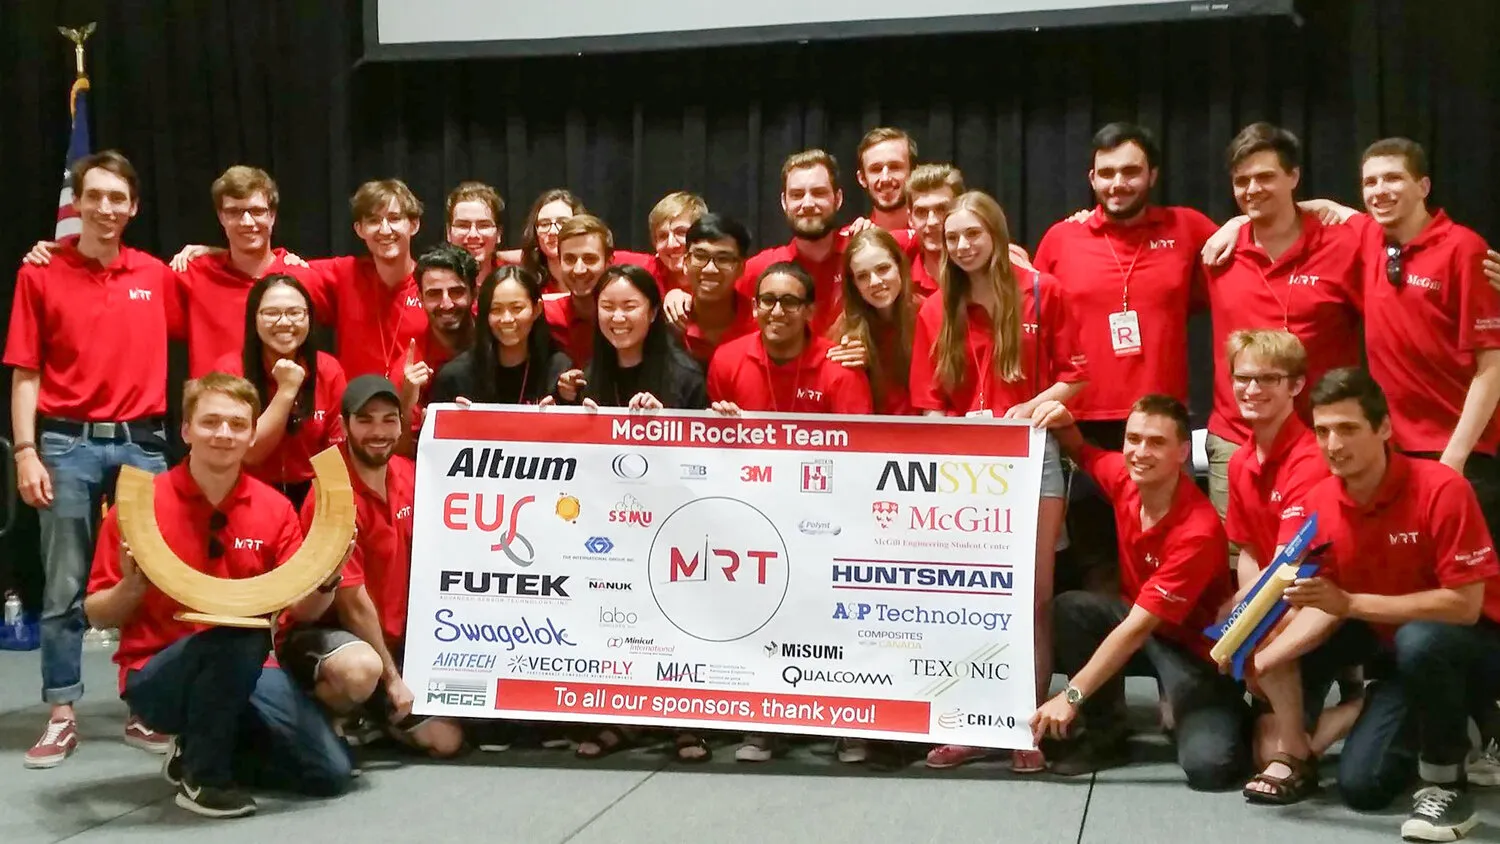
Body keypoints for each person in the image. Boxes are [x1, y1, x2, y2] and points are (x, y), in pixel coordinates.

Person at [1245, 369, 1500, 841]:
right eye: (1322, 430)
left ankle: (1448, 782)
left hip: (1469, 646)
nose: (1333, 444)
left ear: (1384, 429)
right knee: (1362, 788)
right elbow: (1322, 601)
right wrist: (1266, 656)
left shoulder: (1442, 489)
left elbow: (1465, 607)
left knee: (1421, 640)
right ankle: (1305, 747)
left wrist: (1350, 602)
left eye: (1348, 428)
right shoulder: (1321, 500)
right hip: (1391, 648)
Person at [84, 372, 354, 817]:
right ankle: (202, 779)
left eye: (237, 424)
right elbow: (96, 613)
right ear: (186, 430)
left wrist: (328, 575)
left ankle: (201, 749)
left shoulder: (274, 509)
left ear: (252, 434)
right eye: (210, 422)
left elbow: (301, 608)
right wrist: (132, 588)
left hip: (250, 669)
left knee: (331, 773)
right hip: (160, 671)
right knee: (242, 629)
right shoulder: (140, 504)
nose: (223, 434)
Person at [6, 150, 178, 767]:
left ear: (133, 207)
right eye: (94, 196)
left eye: (117, 198)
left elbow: (215, 301)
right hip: (65, 442)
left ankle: (145, 706)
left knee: (153, 577)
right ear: (76, 203)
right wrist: (25, 451)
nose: (105, 208)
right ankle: (61, 712)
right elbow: (26, 373)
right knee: (64, 584)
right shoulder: (41, 273)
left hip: (142, 443)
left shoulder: (157, 275)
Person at [910, 190, 1088, 773]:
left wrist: (1036, 405)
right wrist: (956, 437)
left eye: (972, 235)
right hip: (965, 470)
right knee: (966, 599)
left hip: (1034, 458)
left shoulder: (1044, 292)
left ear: (995, 233)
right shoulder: (936, 308)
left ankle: (1025, 723)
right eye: (953, 237)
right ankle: (967, 720)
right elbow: (928, 400)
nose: (962, 247)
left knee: (1031, 600)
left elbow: (1076, 375)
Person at [1029, 394, 1247, 788]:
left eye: (1157, 442)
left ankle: (1235, 712)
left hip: (1196, 655)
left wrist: (1070, 697)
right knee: (1074, 608)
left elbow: (1136, 629)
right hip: (1145, 630)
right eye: (1133, 439)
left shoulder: (1197, 531)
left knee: (1209, 769)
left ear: (1183, 451)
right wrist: (1062, 421)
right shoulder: (1124, 479)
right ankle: (1108, 735)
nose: (1140, 452)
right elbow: (1083, 451)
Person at [1296, 139, 1500, 534]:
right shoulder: (1370, 236)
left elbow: (1491, 366)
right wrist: (1234, 225)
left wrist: (1454, 458)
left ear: (1423, 186)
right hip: (1392, 450)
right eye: (1369, 181)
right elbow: (1316, 209)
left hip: (1458, 452)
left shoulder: (1464, 249)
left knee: (1467, 589)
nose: (1379, 190)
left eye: (1393, 178)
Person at [279, 375, 465, 759]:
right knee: (360, 671)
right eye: (365, 420)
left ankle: (369, 715)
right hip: (329, 637)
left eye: (388, 420)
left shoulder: (411, 474)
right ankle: (316, 708)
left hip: (394, 640)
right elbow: (352, 604)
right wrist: (394, 679)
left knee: (448, 740)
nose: (378, 432)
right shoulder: (330, 495)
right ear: (344, 425)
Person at [1202, 123, 1363, 517]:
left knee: (1321, 559)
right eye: (1242, 181)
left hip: (1325, 437)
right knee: (1239, 561)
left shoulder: (1344, 243)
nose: (1252, 189)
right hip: (1237, 441)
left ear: (1294, 177)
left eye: (1265, 177)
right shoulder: (1216, 253)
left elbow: (1401, 233)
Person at [24, 166, 317, 379]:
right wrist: (64, 253)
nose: (247, 221)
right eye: (234, 212)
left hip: (292, 417)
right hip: (215, 425)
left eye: (256, 211)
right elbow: (112, 280)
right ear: (220, 217)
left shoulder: (303, 276)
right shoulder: (189, 274)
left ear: (273, 215)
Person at [1033, 123, 1220, 447]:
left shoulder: (1187, 228)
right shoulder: (1061, 238)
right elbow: (1030, 326)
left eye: (1131, 171)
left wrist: (1316, 209)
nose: (1118, 183)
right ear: (1092, 179)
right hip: (1075, 420)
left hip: (1162, 418)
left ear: (1153, 175)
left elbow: (1259, 243)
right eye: (1107, 173)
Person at [213, 274, 346, 509]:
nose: (284, 322)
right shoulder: (230, 370)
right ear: (254, 318)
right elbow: (248, 452)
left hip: (313, 495)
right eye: (272, 313)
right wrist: (286, 390)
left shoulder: (328, 370)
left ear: (309, 318)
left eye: (295, 313)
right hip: (246, 493)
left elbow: (336, 457)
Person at [708, 262, 874, 418]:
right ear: (754, 308)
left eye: (790, 302)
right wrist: (724, 426)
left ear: (809, 311)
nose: (777, 312)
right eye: (768, 300)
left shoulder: (842, 369)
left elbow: (858, 441)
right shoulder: (726, 360)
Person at [569, 264, 709, 412]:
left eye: (629, 307)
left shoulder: (686, 378)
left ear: (653, 312)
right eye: (607, 307)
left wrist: (664, 420)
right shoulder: (588, 377)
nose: (617, 318)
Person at [431, 265, 572, 406]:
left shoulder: (558, 371)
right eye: (496, 309)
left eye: (517, 308)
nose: (507, 319)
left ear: (537, 309)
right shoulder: (454, 376)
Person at [829, 227, 923, 417]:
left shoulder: (928, 314)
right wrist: (860, 372)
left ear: (899, 266)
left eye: (883, 269)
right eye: (862, 276)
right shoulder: (845, 327)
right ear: (853, 284)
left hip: (925, 434)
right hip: (871, 436)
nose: (875, 282)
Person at [394, 243, 478, 431]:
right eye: (434, 294)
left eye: (456, 292)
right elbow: (400, 451)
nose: (446, 304)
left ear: (474, 292)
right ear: (421, 297)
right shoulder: (410, 370)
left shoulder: (499, 340)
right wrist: (406, 406)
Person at [672, 213, 756, 365]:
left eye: (723, 259)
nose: (710, 269)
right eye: (700, 256)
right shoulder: (669, 322)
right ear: (685, 263)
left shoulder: (760, 324)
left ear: (741, 268)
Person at [544, 214, 616, 368]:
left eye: (589, 259)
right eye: (569, 259)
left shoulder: (628, 317)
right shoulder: (545, 316)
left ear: (609, 262)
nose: (579, 270)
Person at [905, 163, 965, 296]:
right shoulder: (899, 281)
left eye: (942, 209)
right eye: (921, 212)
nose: (932, 222)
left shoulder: (983, 275)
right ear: (910, 219)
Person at [856, 127, 918, 233]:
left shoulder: (935, 240)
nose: (885, 179)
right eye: (876, 169)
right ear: (862, 178)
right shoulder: (850, 241)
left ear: (913, 173)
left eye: (895, 167)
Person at [445, 181, 505, 281]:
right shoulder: (430, 283)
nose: (473, 234)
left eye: (484, 225)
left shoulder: (515, 283)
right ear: (448, 232)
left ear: (498, 233)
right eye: (463, 226)